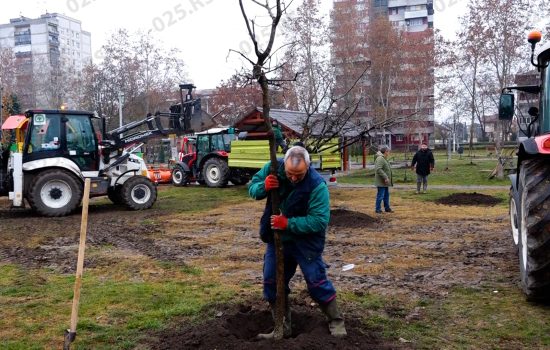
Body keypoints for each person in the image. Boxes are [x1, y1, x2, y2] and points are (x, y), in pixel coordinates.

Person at [248, 145, 347, 339]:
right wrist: (263, 187)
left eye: (299, 175)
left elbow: (319, 220)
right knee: (271, 281)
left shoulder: (317, 185)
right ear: (284, 165)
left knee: (316, 280)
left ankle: (336, 321)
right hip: (278, 240)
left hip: (306, 241)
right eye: (290, 174)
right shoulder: (272, 168)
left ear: (308, 168)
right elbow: (252, 188)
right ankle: (282, 326)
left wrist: (288, 223)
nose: (293, 178)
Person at [374, 145, 393, 214]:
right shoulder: (380, 158)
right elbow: (378, 169)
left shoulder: (384, 158)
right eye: (388, 151)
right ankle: (378, 209)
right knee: (380, 195)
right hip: (381, 181)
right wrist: (385, 177)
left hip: (385, 182)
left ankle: (387, 208)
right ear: (385, 151)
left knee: (386, 195)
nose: (389, 153)